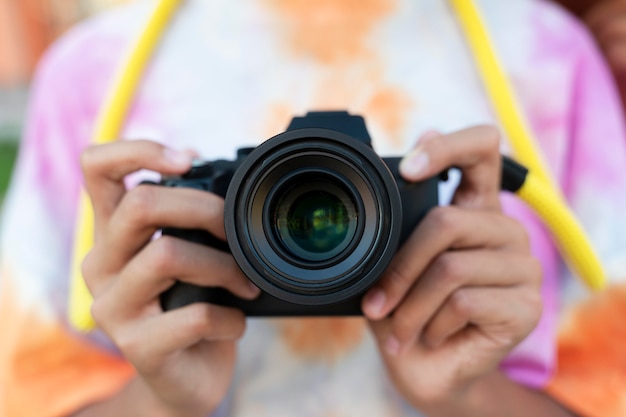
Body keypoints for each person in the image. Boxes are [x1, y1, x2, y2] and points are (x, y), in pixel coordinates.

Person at [1, 0, 625, 416]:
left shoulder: (546, 58)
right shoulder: (94, 71)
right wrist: (158, 400)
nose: (320, 232)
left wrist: (469, 392)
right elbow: (28, 393)